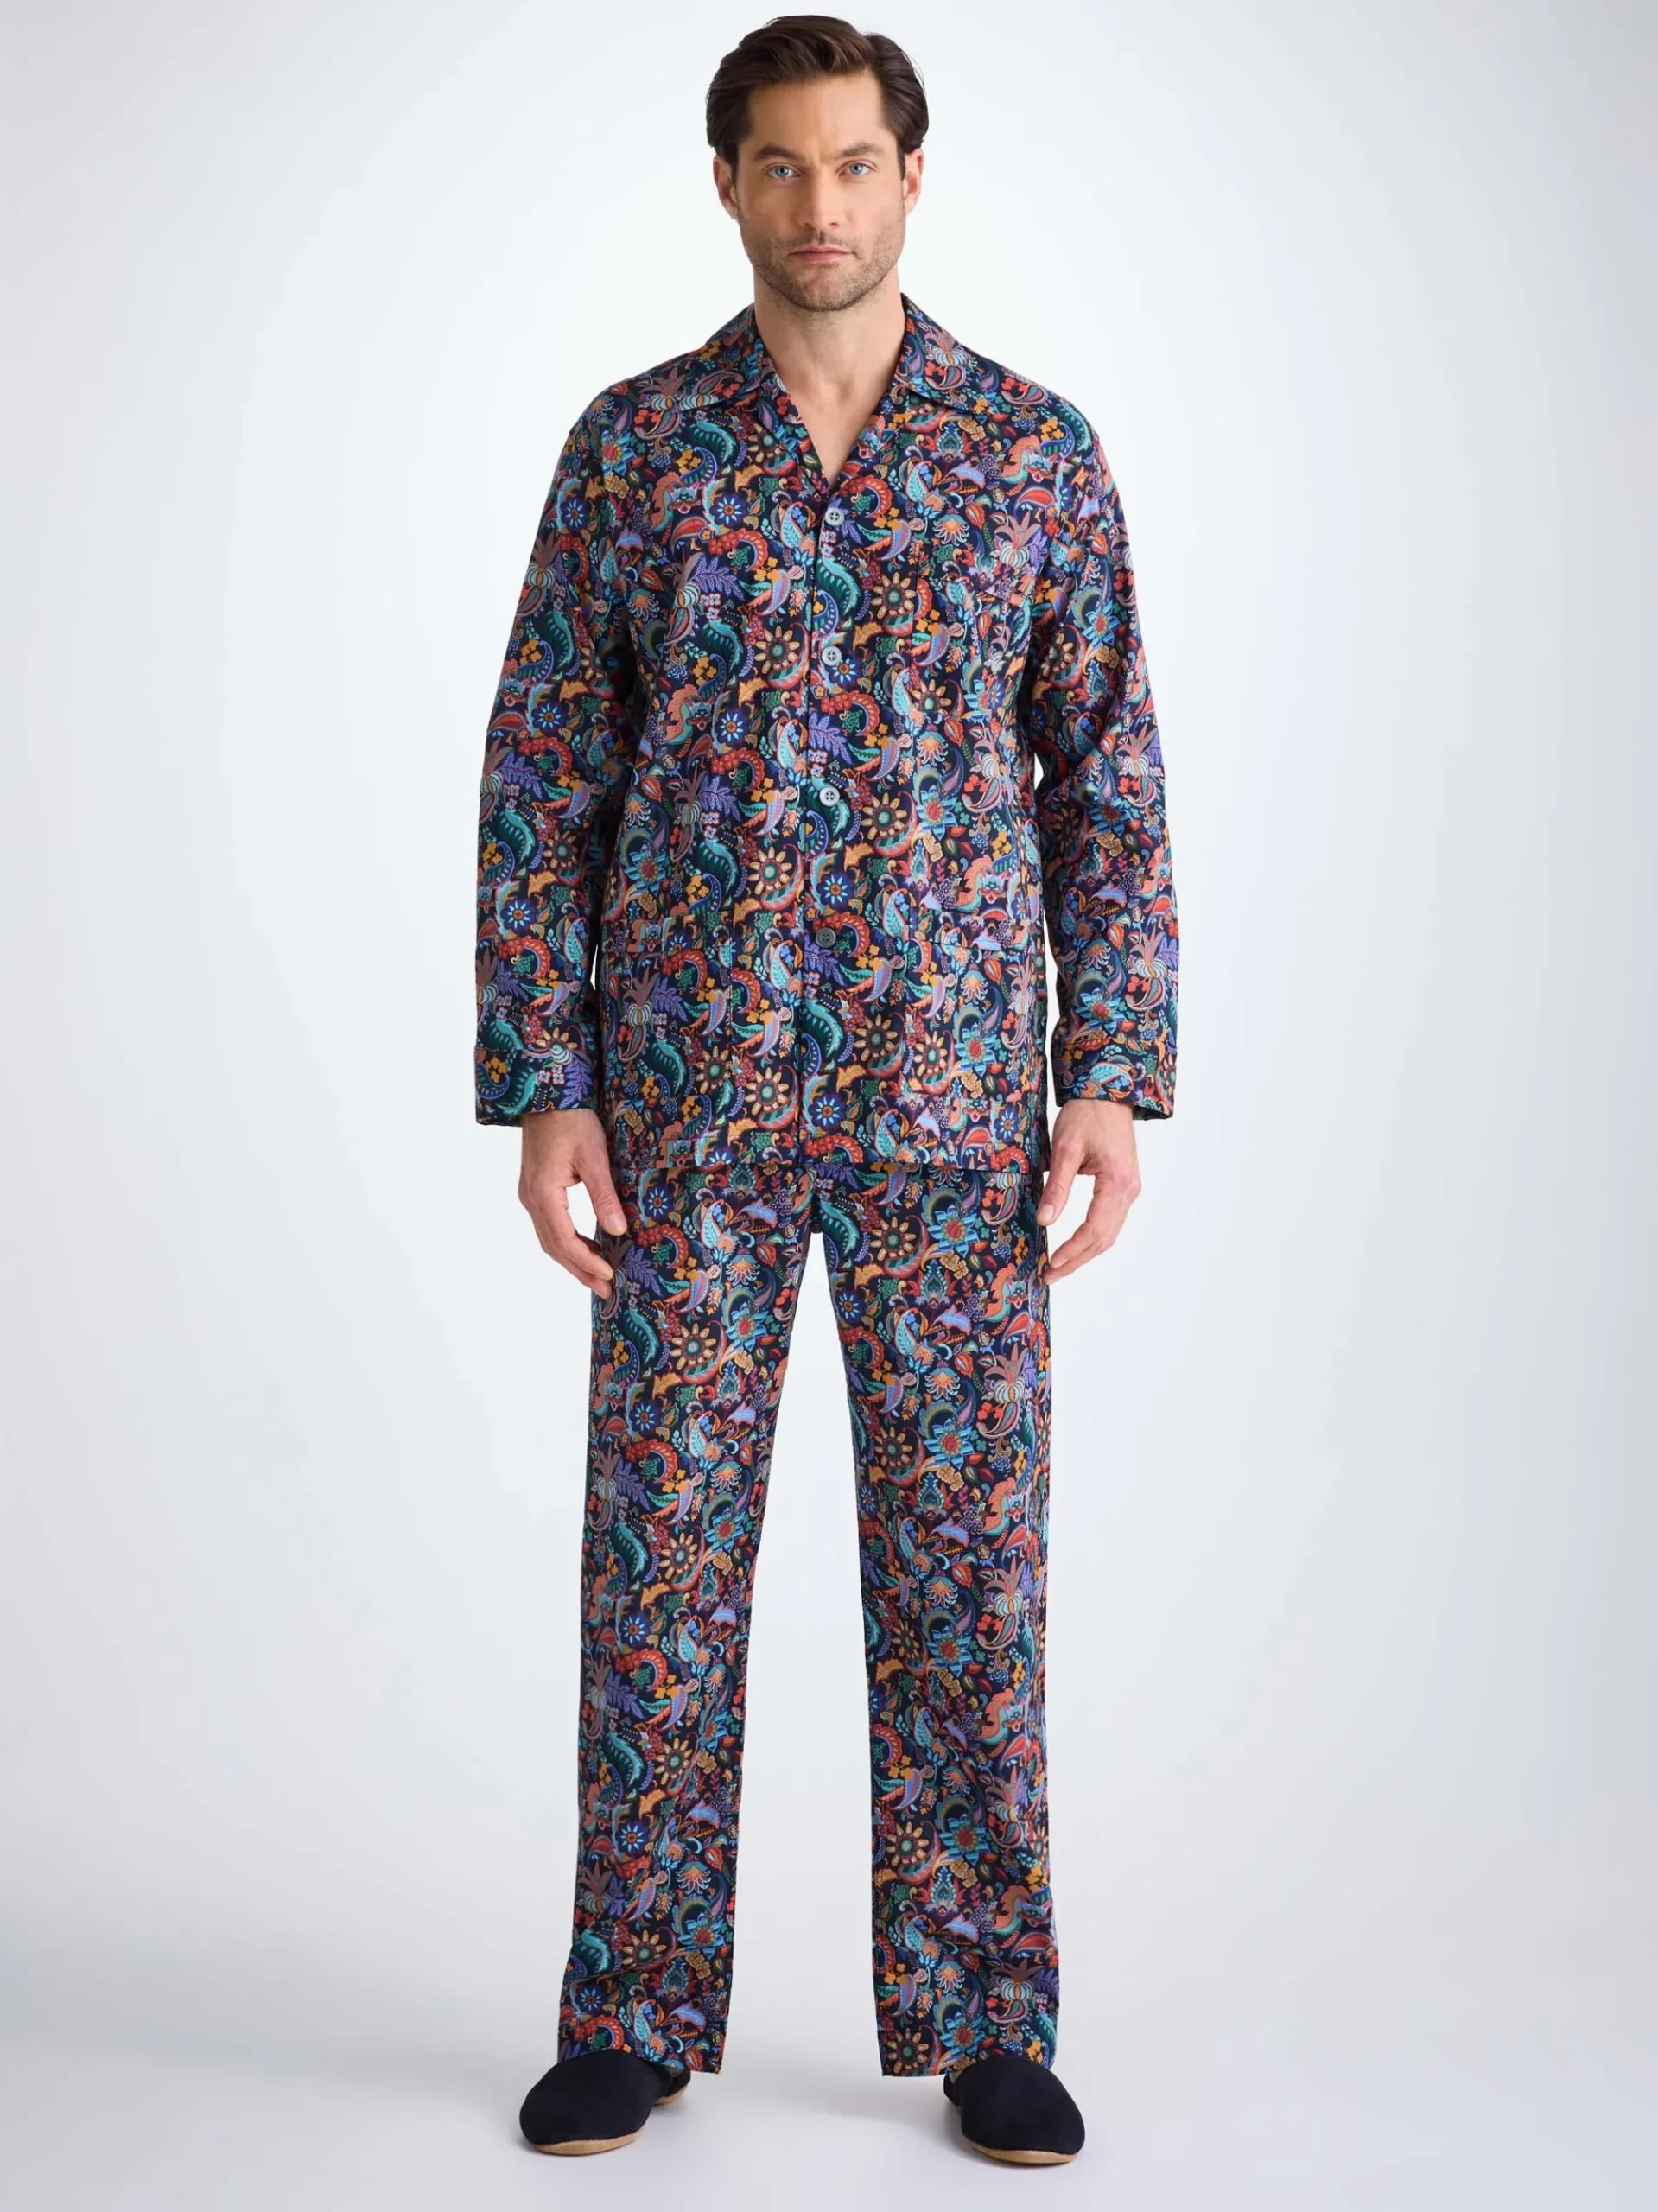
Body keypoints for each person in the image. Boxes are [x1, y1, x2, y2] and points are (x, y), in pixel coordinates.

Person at [473, 13, 1177, 2167]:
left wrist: (1106, 1068)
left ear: (910, 174)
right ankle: (630, 2005)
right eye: (778, 165)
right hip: (681, 1098)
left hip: (952, 1102)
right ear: (724, 183)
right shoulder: (634, 453)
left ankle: (984, 2013)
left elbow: (1103, 780)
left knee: (965, 1565)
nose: (818, 205)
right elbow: (544, 771)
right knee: (661, 1562)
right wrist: (547, 1077)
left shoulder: (1028, 455)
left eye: (852, 162)